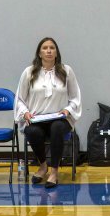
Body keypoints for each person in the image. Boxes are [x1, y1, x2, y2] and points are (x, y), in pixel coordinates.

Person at [15, 37, 82, 188]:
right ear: (39, 53)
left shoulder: (66, 71)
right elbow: (19, 99)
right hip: (37, 119)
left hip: (60, 119)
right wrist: (25, 112)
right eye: (45, 48)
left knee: (56, 128)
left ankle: (54, 172)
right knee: (32, 131)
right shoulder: (29, 72)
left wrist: (68, 109)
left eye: (52, 48)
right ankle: (43, 166)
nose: (49, 51)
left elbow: (75, 97)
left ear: (56, 53)